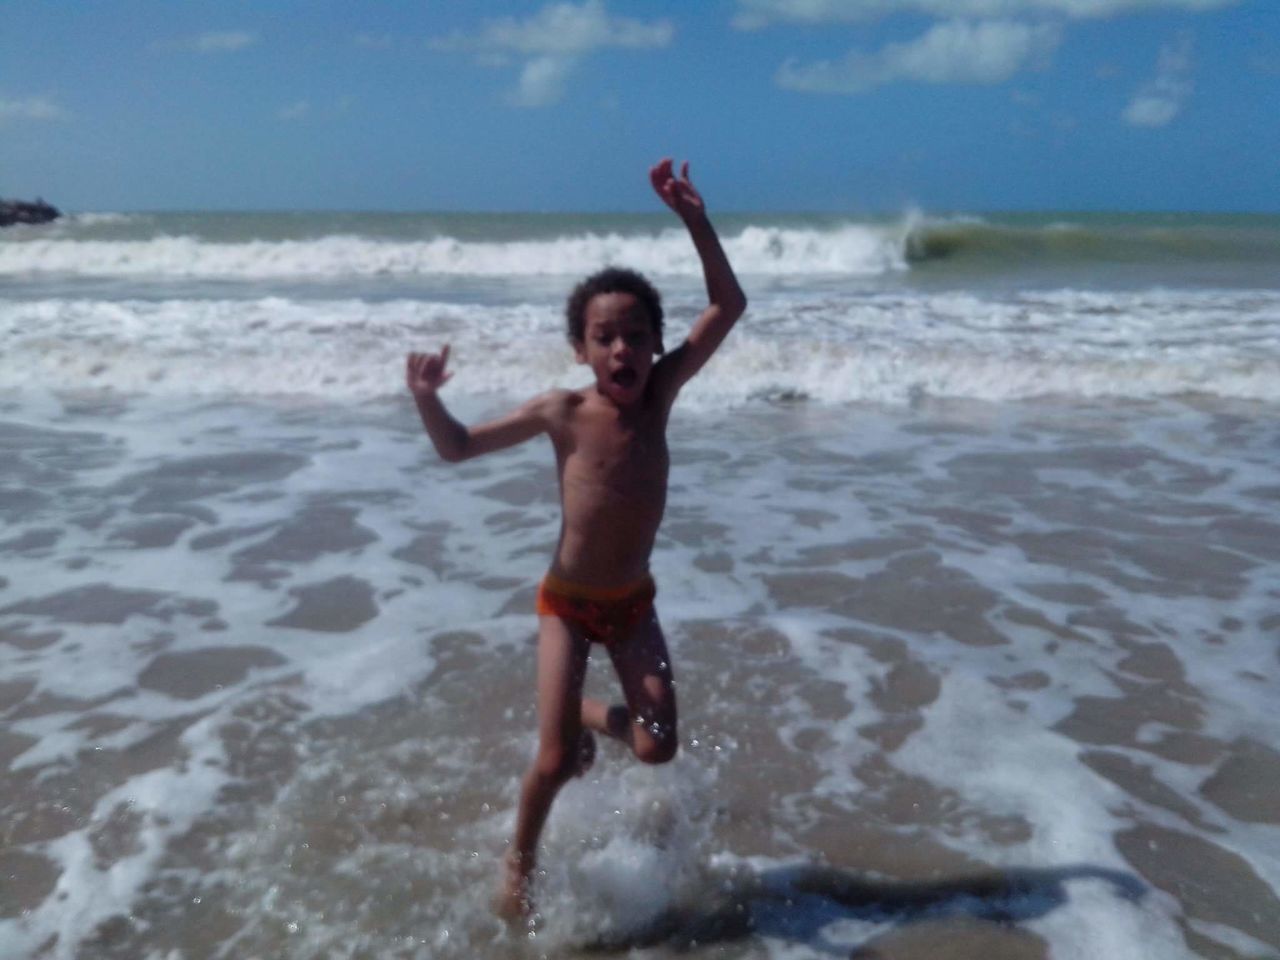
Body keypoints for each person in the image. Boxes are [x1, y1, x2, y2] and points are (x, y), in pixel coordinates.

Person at [405, 158, 746, 919]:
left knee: (657, 744)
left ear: (656, 344)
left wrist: (695, 218)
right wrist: (429, 401)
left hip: (633, 606)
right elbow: (458, 447)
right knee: (557, 762)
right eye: (605, 337)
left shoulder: (659, 397)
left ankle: (587, 709)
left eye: (635, 335)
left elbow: (729, 304)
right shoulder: (561, 411)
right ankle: (517, 869)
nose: (622, 349)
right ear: (581, 349)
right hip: (566, 604)